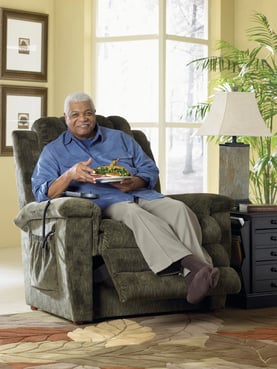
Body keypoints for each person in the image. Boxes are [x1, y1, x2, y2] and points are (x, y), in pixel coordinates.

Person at [32, 92, 220, 304]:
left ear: (94, 114)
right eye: (75, 114)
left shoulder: (120, 138)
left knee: (179, 209)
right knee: (134, 213)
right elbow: (41, 192)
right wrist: (70, 174)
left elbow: (149, 169)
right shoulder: (54, 150)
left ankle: (195, 278)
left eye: (88, 113)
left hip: (140, 192)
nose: (82, 118)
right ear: (66, 118)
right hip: (105, 202)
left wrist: (135, 182)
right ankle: (199, 267)